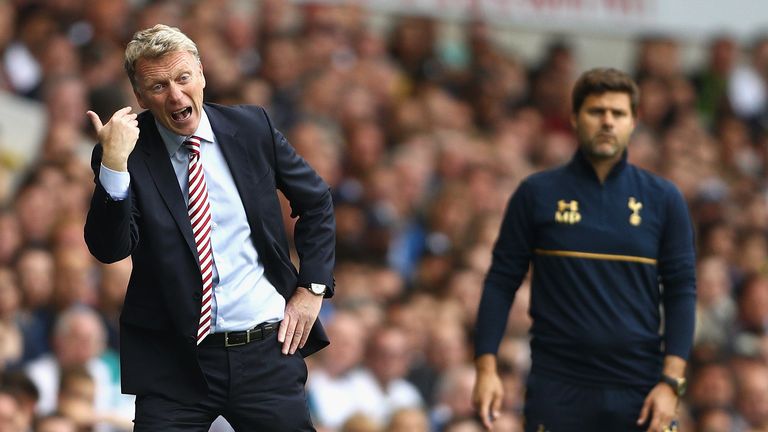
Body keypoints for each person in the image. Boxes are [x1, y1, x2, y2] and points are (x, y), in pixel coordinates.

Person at [82, 24, 336, 431]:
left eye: (183, 78)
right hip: (173, 362)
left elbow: (316, 200)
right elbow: (110, 248)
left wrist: (313, 289)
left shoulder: (252, 127)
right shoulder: (124, 151)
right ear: (139, 96)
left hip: (265, 352)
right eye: (159, 85)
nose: (177, 95)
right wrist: (114, 164)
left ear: (201, 73)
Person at [472, 68, 696, 432]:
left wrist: (671, 384)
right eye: (596, 112)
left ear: (634, 121)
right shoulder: (536, 194)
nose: (607, 122)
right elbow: (500, 282)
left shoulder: (663, 199)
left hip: (640, 387)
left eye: (618, 114)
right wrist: (485, 367)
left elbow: (682, 292)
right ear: (575, 118)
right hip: (557, 386)